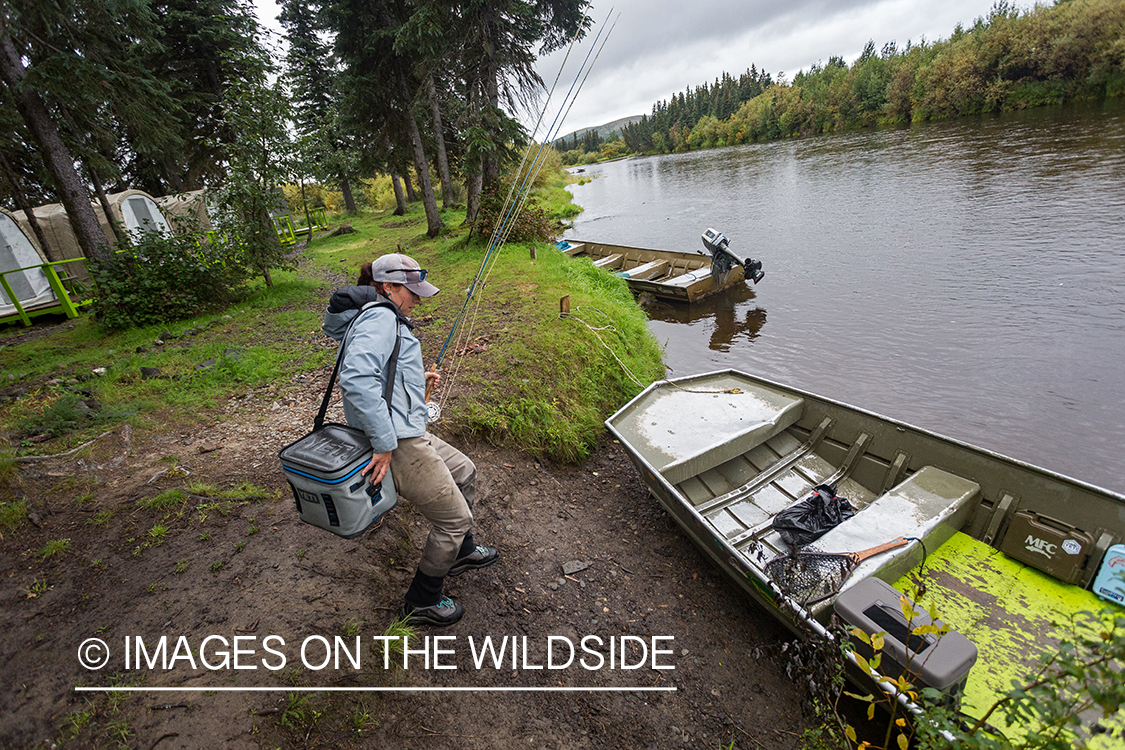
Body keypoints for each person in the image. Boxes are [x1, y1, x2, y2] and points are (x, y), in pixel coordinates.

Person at [322, 253, 498, 626]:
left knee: (464, 470)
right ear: (387, 286)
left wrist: (418, 382)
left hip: (408, 431)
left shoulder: (379, 316)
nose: (418, 299)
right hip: (398, 443)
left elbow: (385, 375)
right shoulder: (381, 318)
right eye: (411, 291)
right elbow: (356, 378)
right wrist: (384, 444)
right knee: (453, 519)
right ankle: (422, 601)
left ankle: (461, 552)